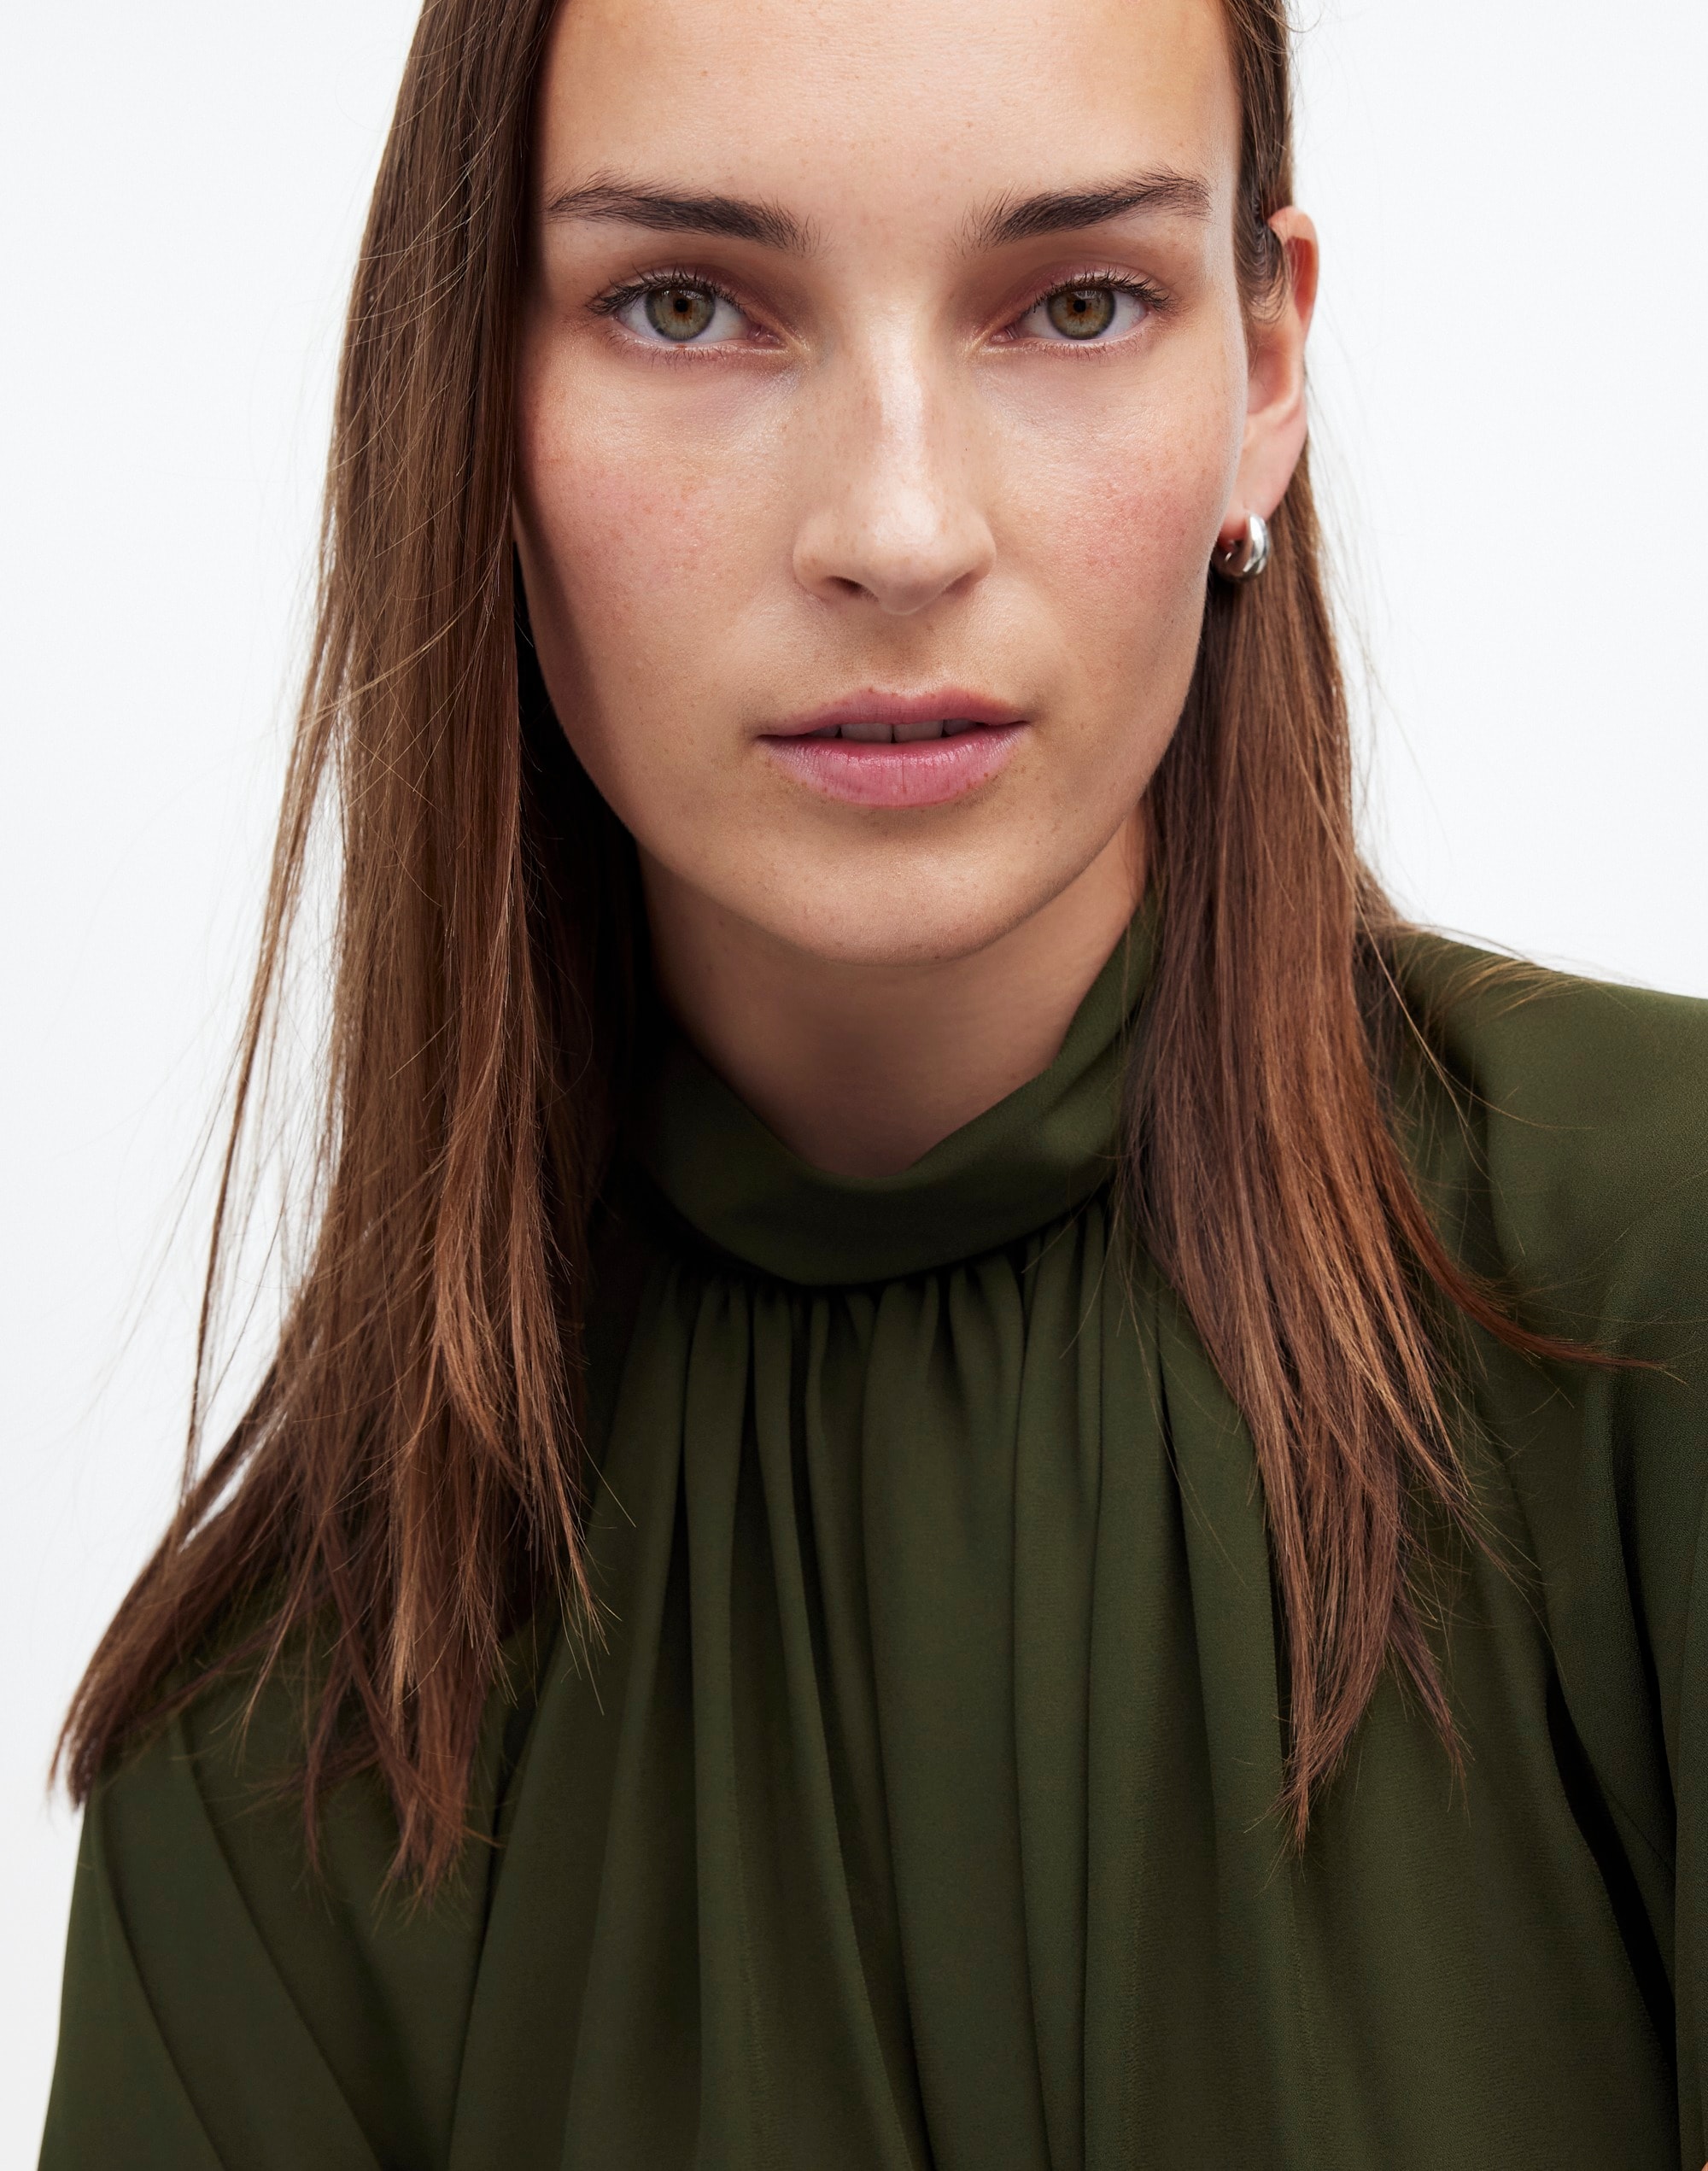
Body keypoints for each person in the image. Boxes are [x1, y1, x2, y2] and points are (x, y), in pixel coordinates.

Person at [38, 0, 1708, 2162]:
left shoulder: (1658, 1291)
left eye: (1076, 303)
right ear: (471, 400)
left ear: (1264, 371)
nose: (899, 530)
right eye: (685, 304)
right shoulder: (276, 1738)